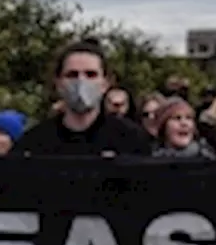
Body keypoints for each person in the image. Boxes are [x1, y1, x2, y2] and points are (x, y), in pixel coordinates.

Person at [15, 39, 151, 157]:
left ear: (106, 83)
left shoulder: (131, 139)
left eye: (90, 74)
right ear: (58, 82)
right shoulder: (34, 142)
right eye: (72, 75)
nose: (81, 82)